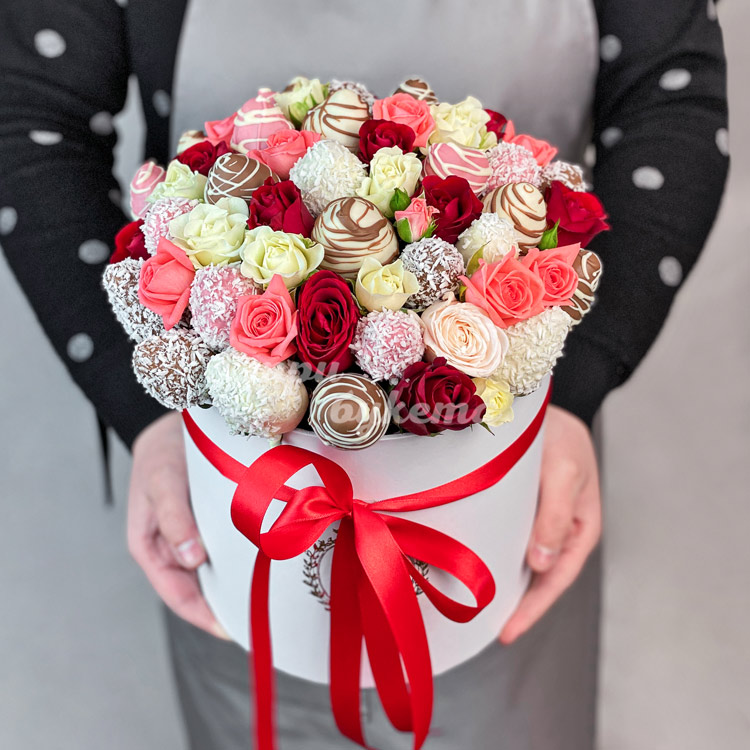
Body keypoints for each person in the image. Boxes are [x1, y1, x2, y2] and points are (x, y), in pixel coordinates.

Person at [0, 1, 729, 748]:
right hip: (235, 489)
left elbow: (671, 93)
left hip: (515, 463)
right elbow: (34, 118)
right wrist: (143, 408)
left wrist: (578, 381)